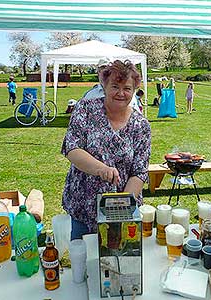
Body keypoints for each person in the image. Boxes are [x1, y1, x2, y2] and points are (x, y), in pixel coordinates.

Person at [61, 60, 151, 240]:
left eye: (127, 88)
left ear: (134, 90)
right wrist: (101, 168)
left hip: (121, 212)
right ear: (104, 85)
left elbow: (139, 172)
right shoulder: (85, 109)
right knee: (83, 262)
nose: (121, 93)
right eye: (115, 86)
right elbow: (72, 148)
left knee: (120, 261)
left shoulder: (141, 125)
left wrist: (122, 208)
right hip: (83, 205)